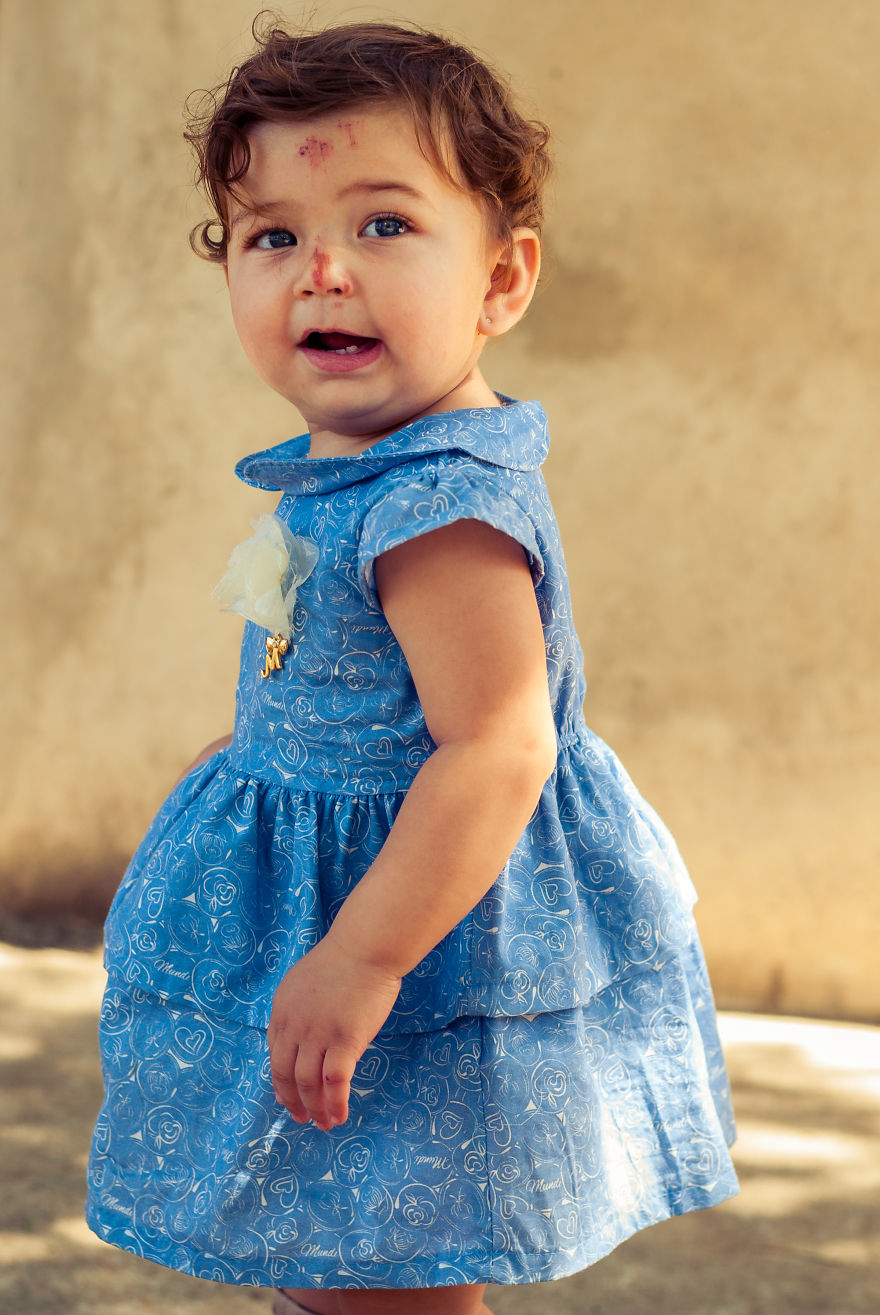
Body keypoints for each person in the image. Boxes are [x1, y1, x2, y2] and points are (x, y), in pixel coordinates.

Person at [85, 19, 739, 1315]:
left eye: (385, 225)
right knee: (328, 1257)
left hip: (418, 939)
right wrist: (253, 755)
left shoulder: (439, 507)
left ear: (502, 282)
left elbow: (499, 744)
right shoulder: (354, 466)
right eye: (271, 236)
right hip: (338, 906)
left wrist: (364, 960)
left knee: (391, 1272)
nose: (323, 270)